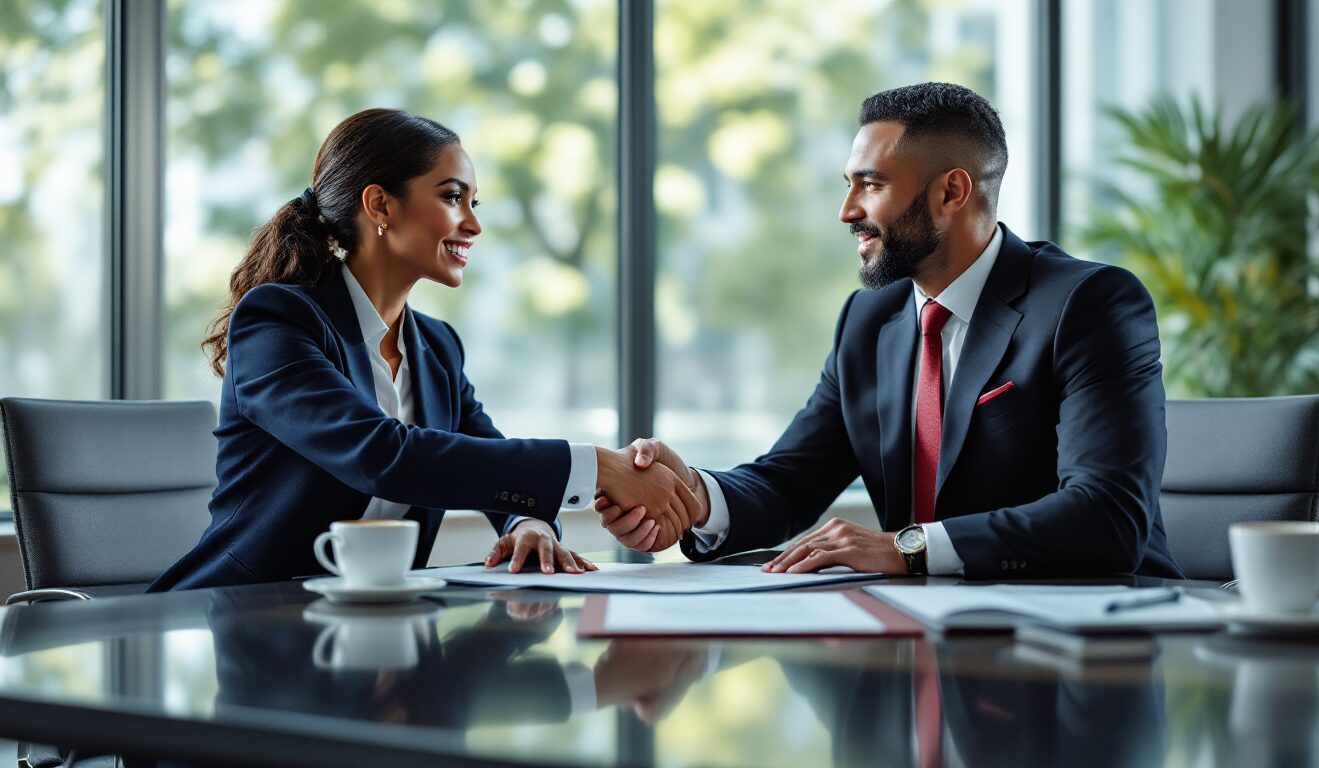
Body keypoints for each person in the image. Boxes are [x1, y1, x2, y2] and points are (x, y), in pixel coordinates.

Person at [597, 83, 1183, 579]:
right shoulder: (869, 321)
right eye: (848, 184)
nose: (847, 210)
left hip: (1099, 641)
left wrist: (907, 547)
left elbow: (1108, 516)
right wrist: (694, 497)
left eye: (871, 185)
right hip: (922, 634)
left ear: (951, 192)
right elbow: (790, 482)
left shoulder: (1089, 303)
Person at [152, 109, 699, 591]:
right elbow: (382, 456)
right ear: (380, 205)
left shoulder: (436, 347)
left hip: (372, 629)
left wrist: (527, 525)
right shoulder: (277, 320)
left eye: (473, 202)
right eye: (452, 197)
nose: (474, 224)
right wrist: (597, 466)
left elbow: (486, 458)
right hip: (234, 618)